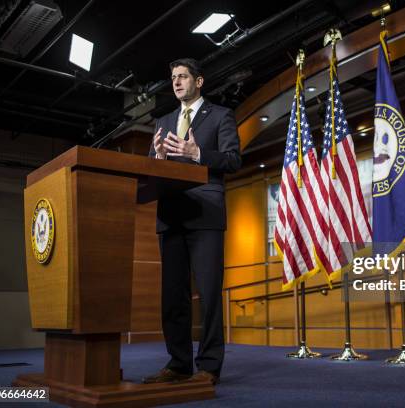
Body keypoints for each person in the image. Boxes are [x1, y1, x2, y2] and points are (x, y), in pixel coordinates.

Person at [143, 58, 241, 385]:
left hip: (206, 212)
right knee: (173, 295)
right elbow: (150, 171)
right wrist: (157, 158)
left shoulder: (221, 116)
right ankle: (178, 363)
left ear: (199, 82)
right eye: (173, 77)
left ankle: (209, 366)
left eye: (183, 76)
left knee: (210, 294)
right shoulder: (163, 121)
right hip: (170, 215)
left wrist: (197, 152)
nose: (177, 82)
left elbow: (232, 160)